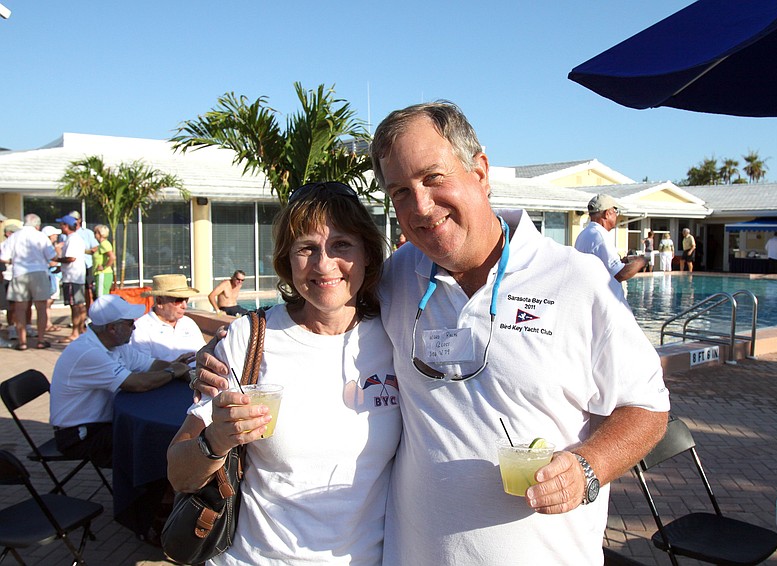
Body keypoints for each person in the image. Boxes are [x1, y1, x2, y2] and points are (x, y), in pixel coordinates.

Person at [196, 102, 669, 565]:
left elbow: (647, 407)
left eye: (432, 177)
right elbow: (322, 303)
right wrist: (217, 351)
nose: (421, 205)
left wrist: (588, 468)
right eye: (400, 190)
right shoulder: (400, 276)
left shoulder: (576, 280)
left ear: (480, 171)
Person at [168, 182, 400, 565]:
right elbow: (179, 474)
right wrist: (217, 439)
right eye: (306, 248)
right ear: (287, 261)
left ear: (367, 254)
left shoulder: (397, 333)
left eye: (341, 245)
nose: (323, 264)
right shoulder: (249, 338)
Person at [49, 294, 191, 467]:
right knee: (154, 446)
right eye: (130, 323)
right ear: (112, 328)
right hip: (79, 435)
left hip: (99, 425)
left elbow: (150, 364)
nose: (134, 328)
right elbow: (136, 383)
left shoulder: (115, 344)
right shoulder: (88, 352)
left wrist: (175, 366)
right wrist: (173, 371)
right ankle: (150, 492)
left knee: (152, 439)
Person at [575, 193, 647, 305]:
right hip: (603, 304)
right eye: (615, 211)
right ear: (607, 214)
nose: (617, 216)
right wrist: (641, 261)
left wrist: (622, 261)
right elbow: (620, 274)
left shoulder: (585, 234)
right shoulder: (600, 236)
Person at [0, 214, 55, 349]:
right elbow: (51, 255)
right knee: (41, 308)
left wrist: (14, 261)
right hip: (39, 272)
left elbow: (4, 257)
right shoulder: (41, 236)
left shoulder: (14, 236)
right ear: (37, 224)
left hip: (20, 273)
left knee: (20, 309)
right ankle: (41, 340)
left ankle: (22, 341)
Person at [129, 274, 205, 365]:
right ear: (160, 302)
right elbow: (142, 368)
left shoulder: (188, 323)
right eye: (178, 300)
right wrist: (174, 368)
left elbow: (203, 352)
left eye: (186, 299)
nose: (184, 306)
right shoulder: (141, 328)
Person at [56, 214, 88, 342]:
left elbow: (71, 258)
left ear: (66, 226)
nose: (60, 227)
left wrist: (56, 259)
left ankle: (75, 332)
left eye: (61, 224)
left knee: (75, 305)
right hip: (77, 276)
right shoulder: (77, 238)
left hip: (71, 277)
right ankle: (80, 330)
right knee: (80, 305)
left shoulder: (72, 239)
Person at [69, 210, 98, 309]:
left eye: (75, 219)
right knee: (74, 293)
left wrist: (82, 251)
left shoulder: (87, 233)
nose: (73, 221)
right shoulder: (66, 234)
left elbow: (95, 248)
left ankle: (89, 314)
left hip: (87, 265)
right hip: (72, 268)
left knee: (88, 290)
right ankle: (78, 316)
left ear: (80, 220)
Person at [41, 225, 64, 332]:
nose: (56, 236)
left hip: (54, 276)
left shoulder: (51, 246)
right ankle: (46, 323)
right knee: (48, 301)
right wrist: (59, 253)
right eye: (54, 234)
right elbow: (51, 261)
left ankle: (48, 323)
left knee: (50, 301)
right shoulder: (47, 247)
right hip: (50, 276)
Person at [92, 224, 115, 298]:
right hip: (100, 274)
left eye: (95, 233)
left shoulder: (104, 244)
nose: (94, 235)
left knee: (101, 298)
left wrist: (104, 267)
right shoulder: (101, 245)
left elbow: (112, 257)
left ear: (100, 234)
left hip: (103, 274)